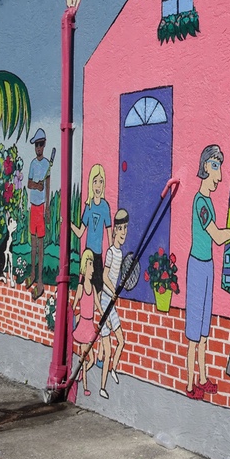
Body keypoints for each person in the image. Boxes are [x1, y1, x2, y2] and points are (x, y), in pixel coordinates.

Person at [185, 145, 230, 400]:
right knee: (193, 334)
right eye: (215, 167)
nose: (219, 176)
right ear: (205, 167)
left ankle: (202, 378)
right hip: (197, 267)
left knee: (203, 332)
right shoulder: (200, 202)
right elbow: (218, 237)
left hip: (208, 266)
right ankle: (190, 385)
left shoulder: (209, 202)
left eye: (219, 168)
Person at [99, 208, 129, 399]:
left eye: (126, 228)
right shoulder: (111, 252)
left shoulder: (120, 252)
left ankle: (113, 369)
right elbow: (104, 276)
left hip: (112, 302)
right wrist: (113, 291)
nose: (124, 232)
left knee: (122, 341)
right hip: (105, 302)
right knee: (108, 350)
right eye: (121, 228)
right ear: (115, 230)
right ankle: (102, 387)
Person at [71, 164, 112, 295]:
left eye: (101, 181)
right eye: (95, 181)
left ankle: (98, 309)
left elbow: (109, 233)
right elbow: (80, 233)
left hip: (98, 255)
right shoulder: (88, 206)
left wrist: (111, 255)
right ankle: (77, 308)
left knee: (99, 288)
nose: (98, 186)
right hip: (88, 254)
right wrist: (68, 224)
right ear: (91, 184)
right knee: (82, 286)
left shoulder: (105, 206)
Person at [72, 249, 104, 397]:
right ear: (85, 266)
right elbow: (73, 307)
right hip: (83, 326)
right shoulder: (80, 288)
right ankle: (84, 387)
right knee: (85, 358)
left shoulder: (93, 288)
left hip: (90, 326)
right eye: (90, 265)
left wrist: (105, 318)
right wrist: (74, 317)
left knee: (90, 359)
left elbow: (98, 305)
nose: (92, 269)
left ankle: (78, 375)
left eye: (92, 265)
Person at [26, 128, 50, 301]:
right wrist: (36, 185)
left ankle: (40, 281)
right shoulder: (33, 164)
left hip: (41, 207)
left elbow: (48, 187)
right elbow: (28, 183)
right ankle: (33, 273)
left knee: (40, 246)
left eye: (41, 144)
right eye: (36, 145)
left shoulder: (47, 164)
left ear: (44, 144)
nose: (38, 148)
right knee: (33, 244)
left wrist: (47, 207)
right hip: (33, 208)